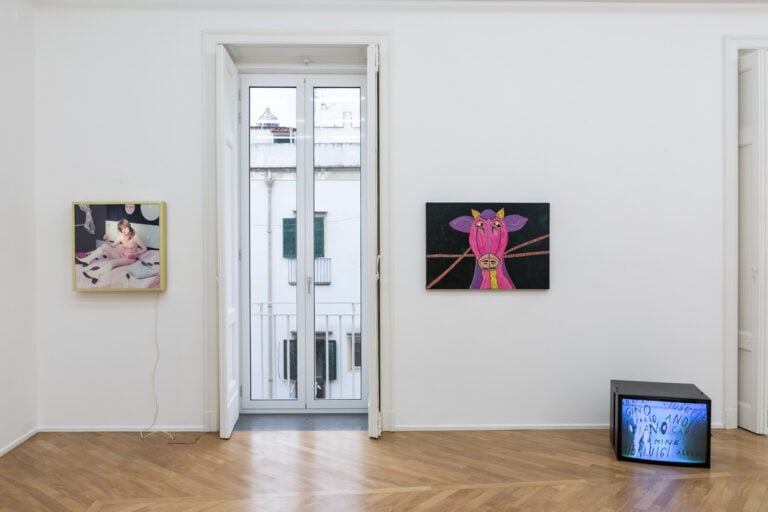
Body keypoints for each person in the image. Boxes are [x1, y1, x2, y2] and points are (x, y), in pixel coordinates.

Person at [76, 219, 147, 283]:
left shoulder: (135, 237)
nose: (124, 230)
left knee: (113, 262)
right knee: (104, 246)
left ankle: (96, 274)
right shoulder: (121, 236)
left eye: (125, 228)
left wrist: (136, 254)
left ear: (129, 226)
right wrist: (107, 240)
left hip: (130, 259)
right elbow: (113, 246)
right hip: (121, 256)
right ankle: (87, 260)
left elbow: (144, 249)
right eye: (121, 229)